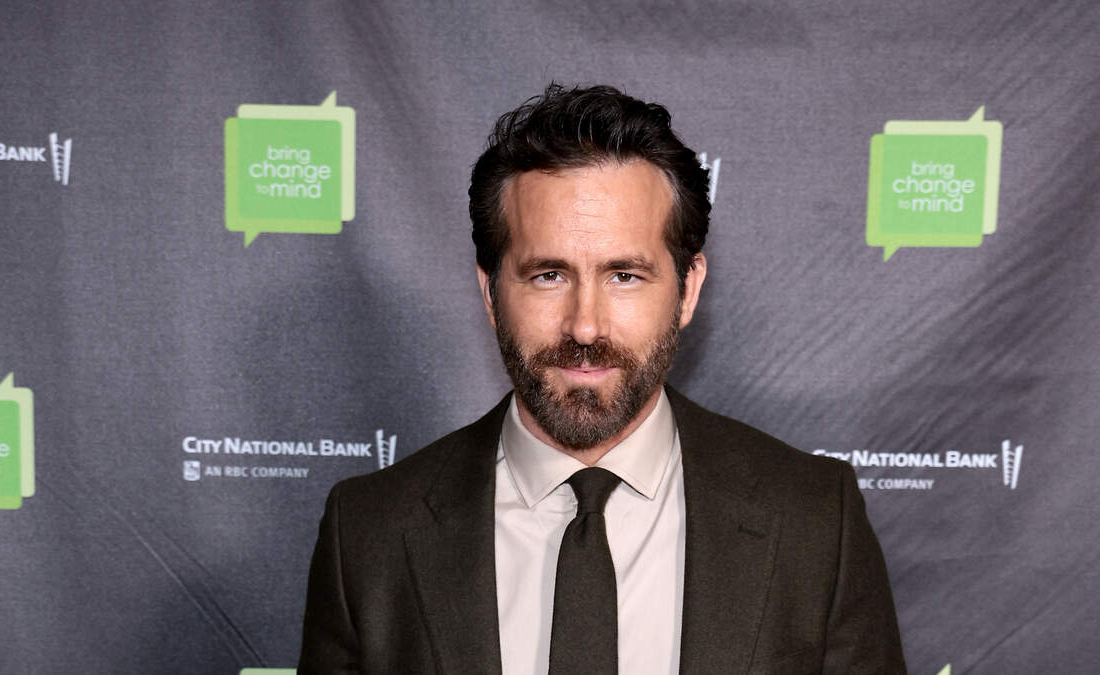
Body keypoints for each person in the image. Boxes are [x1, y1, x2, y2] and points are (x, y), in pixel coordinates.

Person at [299, 84, 906, 674]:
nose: (585, 326)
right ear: (490, 292)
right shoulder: (370, 534)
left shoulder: (814, 521)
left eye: (624, 276)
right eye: (548, 275)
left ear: (687, 289)